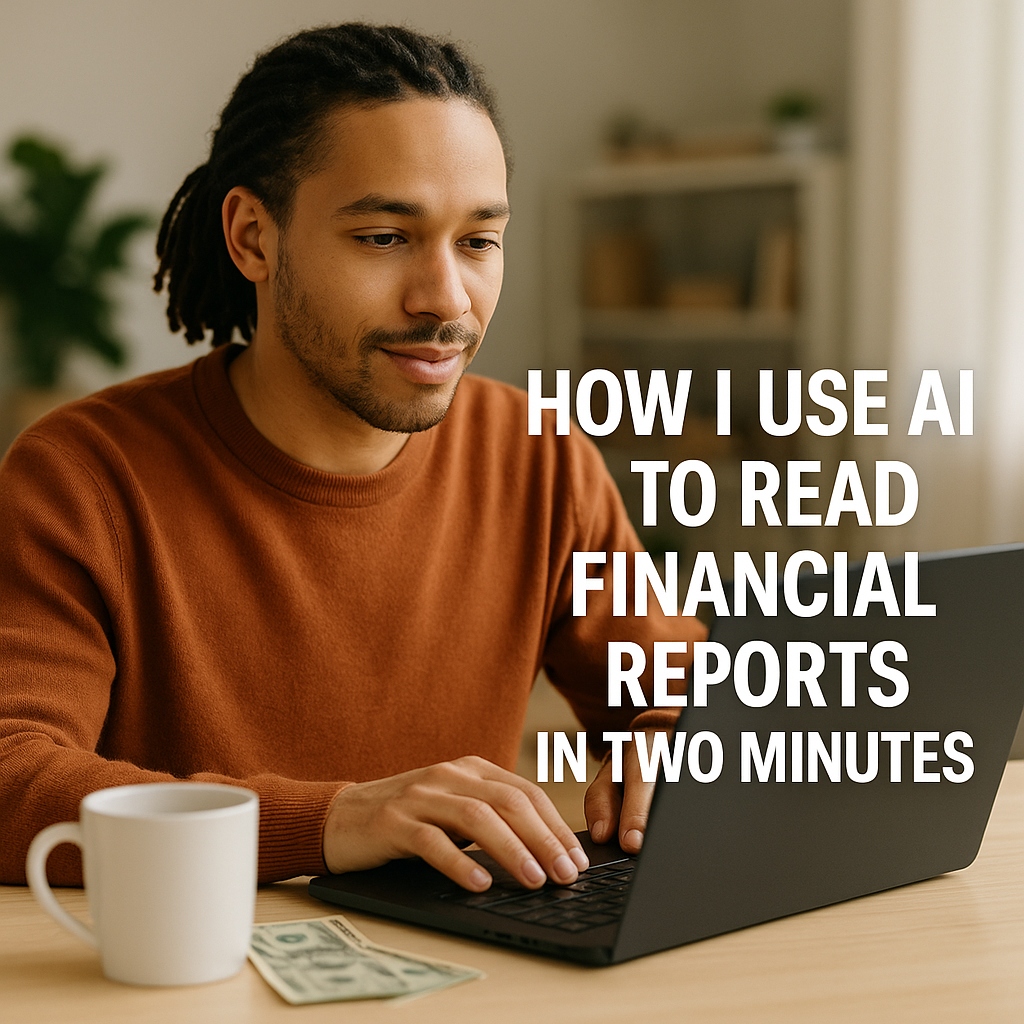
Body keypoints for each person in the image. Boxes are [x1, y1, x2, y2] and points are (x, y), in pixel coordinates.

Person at [0, 23, 704, 890]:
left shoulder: (541, 458)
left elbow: (678, 697)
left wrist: (672, 744)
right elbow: (10, 779)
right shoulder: (80, 478)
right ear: (254, 237)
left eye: (479, 241)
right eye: (383, 238)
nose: (446, 298)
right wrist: (331, 819)